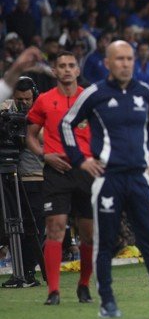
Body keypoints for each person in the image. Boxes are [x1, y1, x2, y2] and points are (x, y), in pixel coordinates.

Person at [60, 41, 149, 319]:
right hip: (108, 178)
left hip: (138, 178)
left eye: (129, 58)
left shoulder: (144, 92)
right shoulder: (94, 93)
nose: (126, 63)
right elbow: (66, 123)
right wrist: (81, 160)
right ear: (107, 63)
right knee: (105, 241)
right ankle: (107, 301)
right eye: (119, 59)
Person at [25, 52, 95, 304]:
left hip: (86, 171)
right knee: (55, 228)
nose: (66, 69)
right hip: (56, 171)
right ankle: (53, 291)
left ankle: (84, 285)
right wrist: (44, 155)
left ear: (77, 70)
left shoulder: (90, 99)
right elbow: (30, 135)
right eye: (61, 66)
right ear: (54, 71)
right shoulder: (44, 100)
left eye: (71, 65)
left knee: (89, 234)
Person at [0, 78, 43, 288]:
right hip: (12, 175)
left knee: (33, 228)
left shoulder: (42, 113)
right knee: (14, 225)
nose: (24, 103)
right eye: (19, 100)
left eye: (28, 99)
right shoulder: (7, 111)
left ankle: (28, 272)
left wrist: (27, 126)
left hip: (36, 176)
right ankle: (20, 271)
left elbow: (45, 138)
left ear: (35, 96)